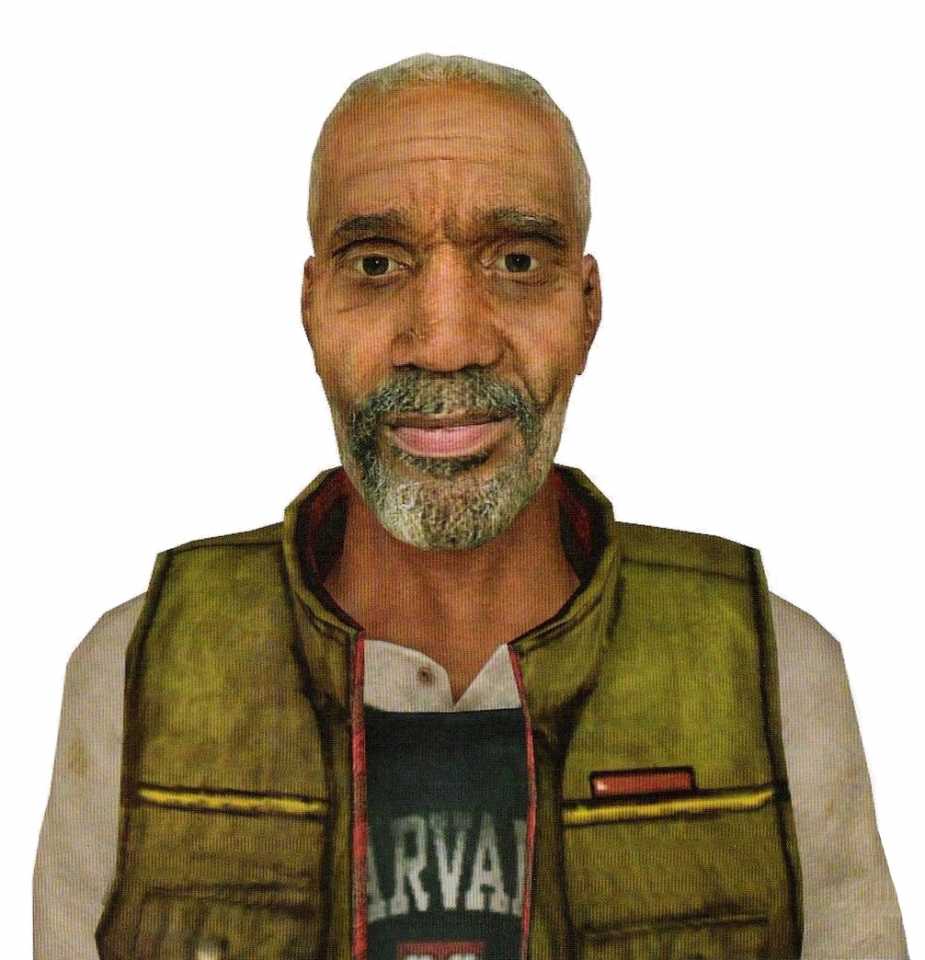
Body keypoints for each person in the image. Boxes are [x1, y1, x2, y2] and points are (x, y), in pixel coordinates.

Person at [34, 54, 907, 960]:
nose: (446, 343)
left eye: (517, 261)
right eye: (377, 263)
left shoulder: (774, 670)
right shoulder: (131, 672)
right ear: (312, 309)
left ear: (587, 310)